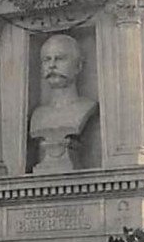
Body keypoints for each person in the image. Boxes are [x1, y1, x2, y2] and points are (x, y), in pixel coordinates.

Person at [29, 34, 97, 172]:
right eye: (47, 60)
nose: (52, 65)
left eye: (60, 59)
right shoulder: (37, 115)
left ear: (78, 66)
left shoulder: (87, 107)